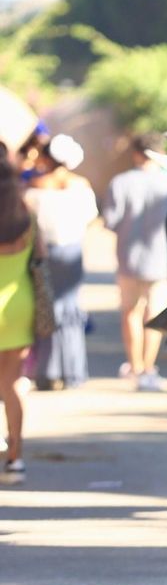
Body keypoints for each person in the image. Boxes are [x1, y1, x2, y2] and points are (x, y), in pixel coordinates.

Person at [103, 134, 167, 391]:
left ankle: (134, 366)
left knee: (130, 313)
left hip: (129, 258)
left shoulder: (120, 182)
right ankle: (148, 368)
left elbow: (111, 221)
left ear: (136, 153)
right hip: (162, 258)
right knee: (154, 315)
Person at [26, 135, 97, 390]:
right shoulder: (81, 186)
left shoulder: (36, 186)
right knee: (70, 308)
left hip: (46, 254)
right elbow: (90, 217)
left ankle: (47, 371)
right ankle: (73, 371)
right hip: (72, 252)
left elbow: (31, 225)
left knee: (46, 307)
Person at [0, 146, 39, 483]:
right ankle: (15, 460)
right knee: (11, 384)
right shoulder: (26, 212)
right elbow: (40, 258)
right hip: (20, 304)